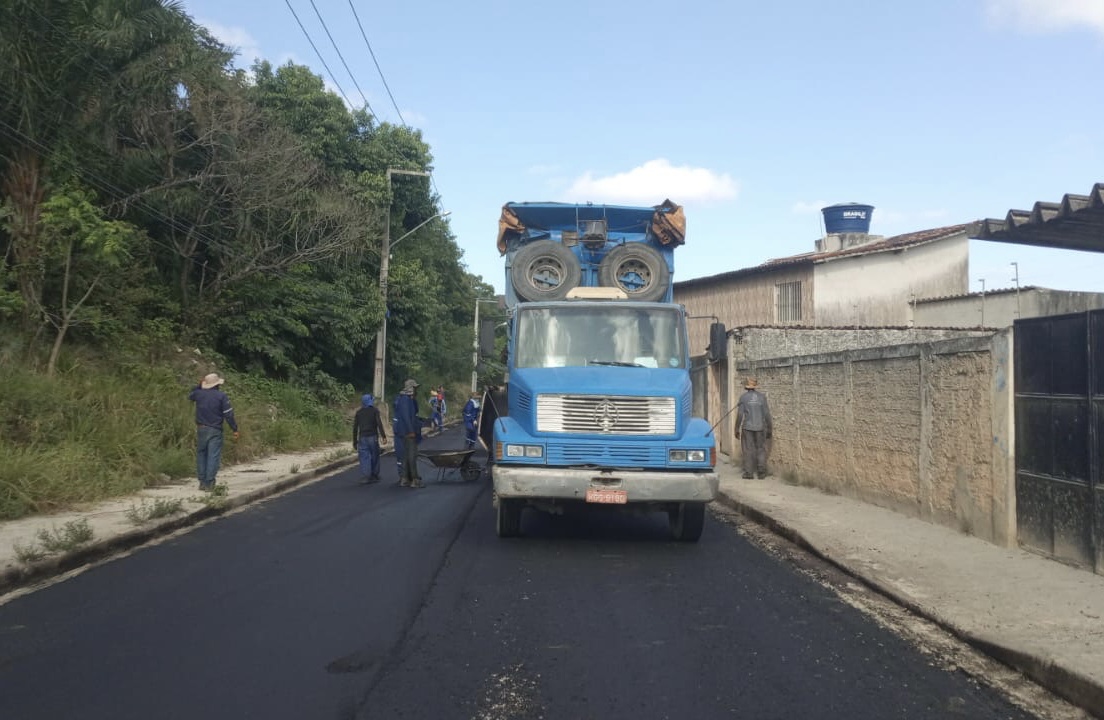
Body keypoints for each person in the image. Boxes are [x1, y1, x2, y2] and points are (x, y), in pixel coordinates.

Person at [188, 372, 240, 491]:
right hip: (215, 429)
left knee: (201, 455)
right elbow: (228, 414)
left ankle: (202, 482)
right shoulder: (221, 396)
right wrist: (235, 429)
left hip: (201, 428)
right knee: (213, 456)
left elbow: (190, 395)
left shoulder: (198, 394)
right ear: (217, 385)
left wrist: (198, 385)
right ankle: (210, 483)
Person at [735, 377, 773, 479]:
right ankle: (761, 472)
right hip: (760, 427)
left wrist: (736, 429)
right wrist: (770, 428)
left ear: (746, 386)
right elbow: (767, 414)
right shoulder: (762, 397)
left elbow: (740, 415)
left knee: (748, 449)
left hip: (747, 428)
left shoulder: (743, 398)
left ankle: (749, 473)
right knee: (760, 449)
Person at [394, 378, 424, 488]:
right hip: (408, 432)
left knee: (406, 456)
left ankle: (405, 479)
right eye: (415, 388)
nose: (416, 390)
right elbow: (406, 417)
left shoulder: (407, 399)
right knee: (412, 456)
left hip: (406, 431)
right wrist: (411, 430)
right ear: (411, 388)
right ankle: (415, 480)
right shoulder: (405, 400)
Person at [352, 394, 387, 484]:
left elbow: (355, 427)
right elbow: (379, 423)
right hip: (373, 437)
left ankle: (366, 476)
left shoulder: (359, 412)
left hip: (362, 437)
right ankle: (374, 475)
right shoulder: (374, 411)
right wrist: (383, 436)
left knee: (364, 457)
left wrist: (354, 441)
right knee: (374, 455)